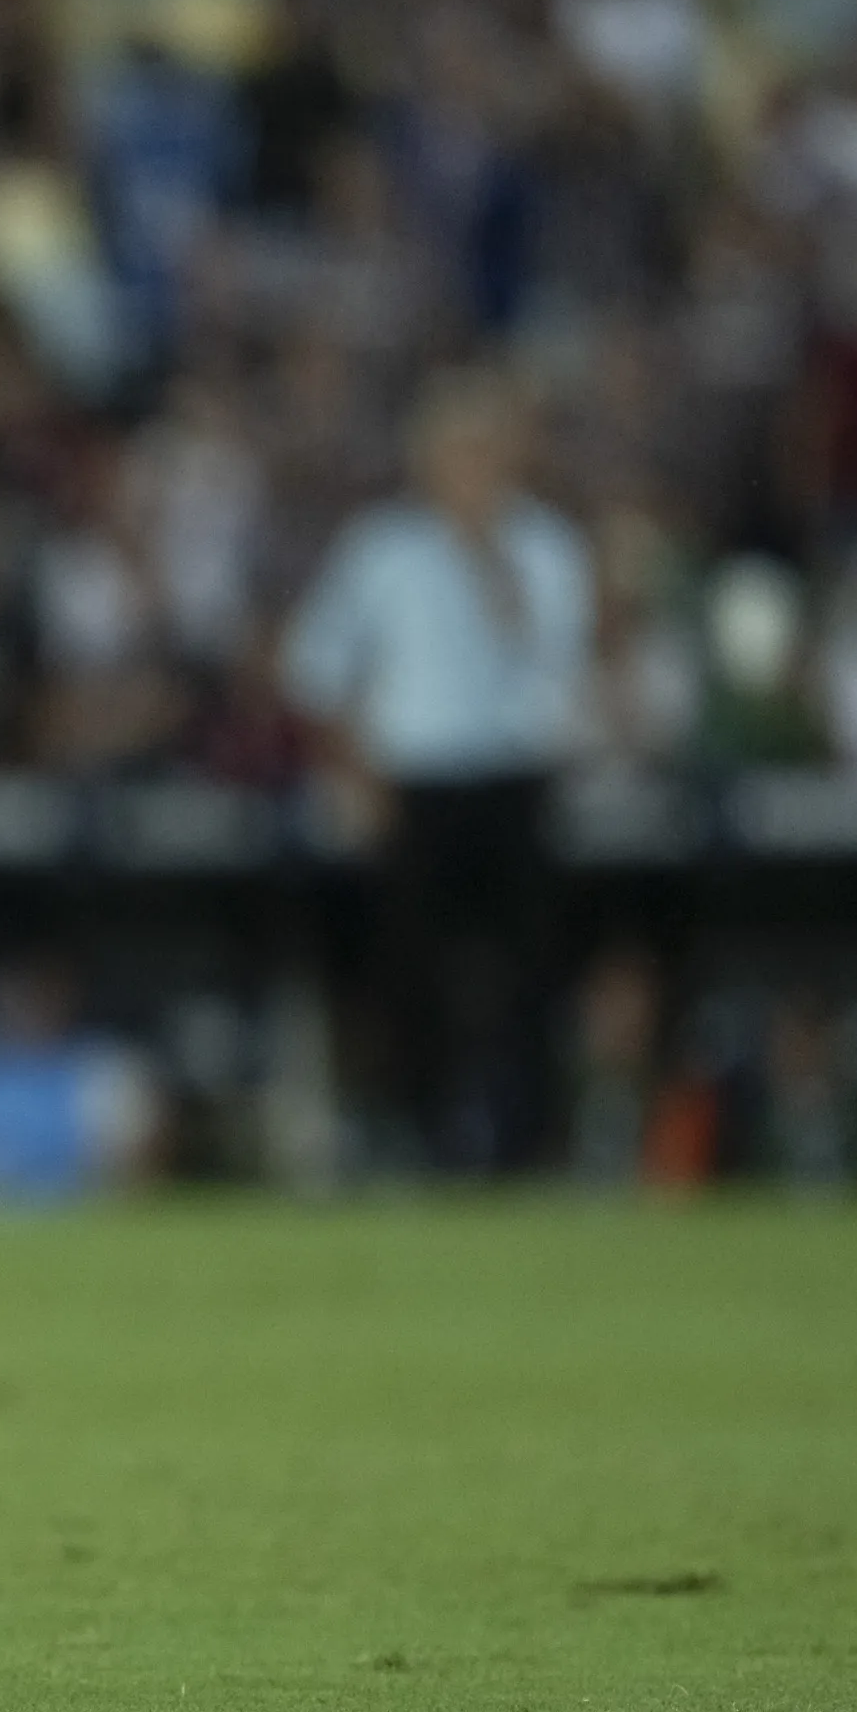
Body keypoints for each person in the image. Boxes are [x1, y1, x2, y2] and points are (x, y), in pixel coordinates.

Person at [283, 367, 592, 1172]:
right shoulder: (381, 549)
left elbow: (558, 661)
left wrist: (487, 560)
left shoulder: (544, 546)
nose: (471, 472)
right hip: (416, 787)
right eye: (456, 454)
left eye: (485, 453)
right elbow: (314, 671)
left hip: (516, 779)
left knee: (528, 971)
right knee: (410, 971)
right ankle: (418, 1136)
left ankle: (531, 1143)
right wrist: (358, 771)